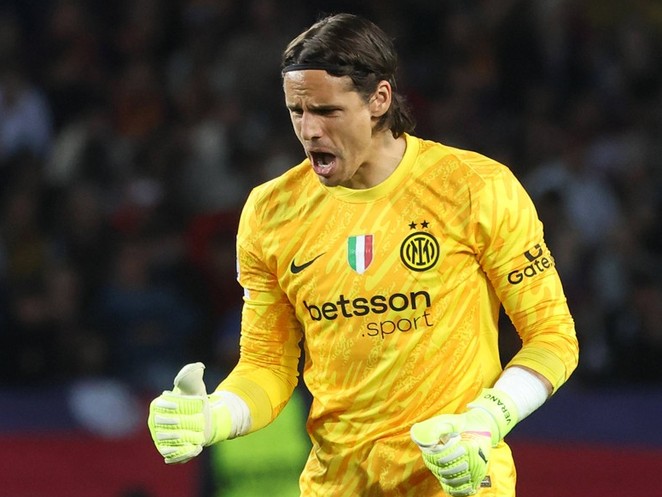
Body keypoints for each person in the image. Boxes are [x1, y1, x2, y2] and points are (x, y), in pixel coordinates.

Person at [148, 13, 579, 497]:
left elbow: (553, 337)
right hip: (337, 486)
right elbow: (267, 366)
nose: (309, 130)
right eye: (296, 111)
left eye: (327, 111)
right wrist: (214, 417)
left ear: (380, 99)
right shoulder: (271, 212)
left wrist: (486, 421)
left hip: (457, 481)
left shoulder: (475, 188)